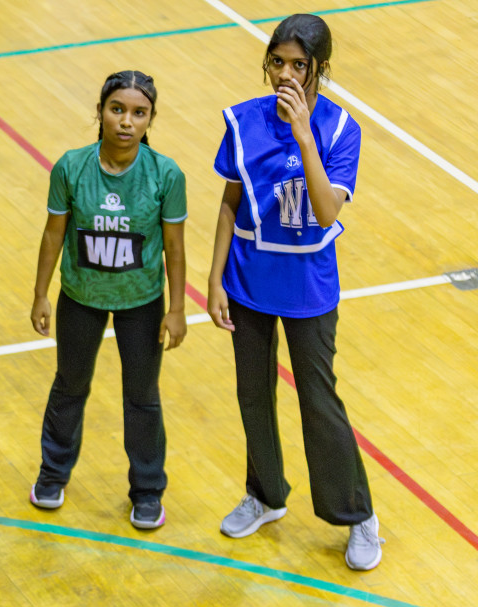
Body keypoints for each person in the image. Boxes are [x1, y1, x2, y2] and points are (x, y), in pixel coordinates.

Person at [206, 13, 384, 570]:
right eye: (277, 62)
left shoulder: (338, 130)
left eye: (299, 65)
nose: (286, 74)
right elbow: (231, 200)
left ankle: (358, 516)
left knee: (319, 402)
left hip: (309, 290)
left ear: (319, 71)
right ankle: (265, 494)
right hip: (247, 283)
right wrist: (213, 278)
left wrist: (303, 132)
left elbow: (328, 207)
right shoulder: (242, 122)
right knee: (253, 395)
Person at [30, 70, 188, 530]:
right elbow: (53, 233)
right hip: (80, 297)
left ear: (150, 120)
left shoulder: (166, 175)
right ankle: (52, 475)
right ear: (99, 112)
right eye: (117, 109)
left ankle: (147, 491)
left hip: (142, 303)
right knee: (70, 385)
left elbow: (175, 248)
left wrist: (177, 308)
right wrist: (41, 293)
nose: (126, 121)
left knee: (142, 397)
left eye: (139, 113)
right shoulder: (70, 167)